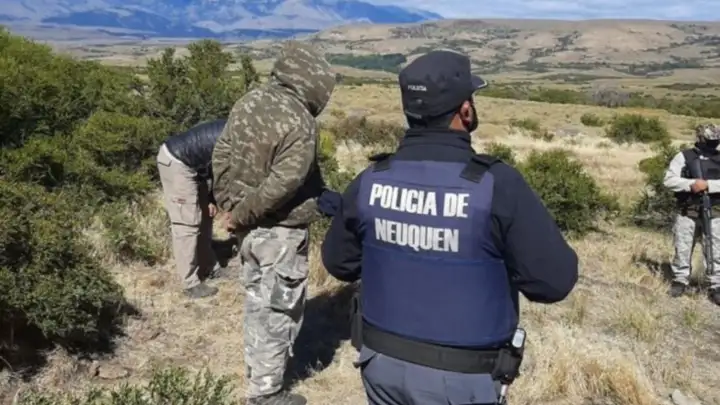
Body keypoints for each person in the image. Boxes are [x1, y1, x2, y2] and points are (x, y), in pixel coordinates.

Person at [320, 50, 579, 405]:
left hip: (381, 365)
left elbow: (339, 263)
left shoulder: (370, 180)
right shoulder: (496, 185)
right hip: (463, 377)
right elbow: (554, 282)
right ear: (465, 110)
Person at [211, 41, 338, 405]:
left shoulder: (249, 101)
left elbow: (221, 152)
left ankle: (258, 376)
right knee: (278, 311)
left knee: (257, 303)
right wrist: (240, 213)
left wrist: (229, 205)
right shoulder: (300, 120)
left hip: (248, 231)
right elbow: (284, 183)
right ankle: (266, 394)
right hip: (279, 233)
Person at [156, 118, 229, 299]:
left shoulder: (237, 129)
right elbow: (222, 173)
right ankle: (190, 283)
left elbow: (216, 168)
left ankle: (208, 266)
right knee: (187, 223)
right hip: (177, 161)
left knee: (206, 215)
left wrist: (211, 199)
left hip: (196, 167)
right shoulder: (235, 138)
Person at [663, 123, 720, 304]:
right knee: (683, 246)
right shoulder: (684, 156)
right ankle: (680, 280)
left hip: (715, 212)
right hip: (688, 211)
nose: (713, 144)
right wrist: (691, 184)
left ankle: (715, 285)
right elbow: (669, 180)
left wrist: (708, 185)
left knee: (716, 250)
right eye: (709, 140)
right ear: (700, 138)